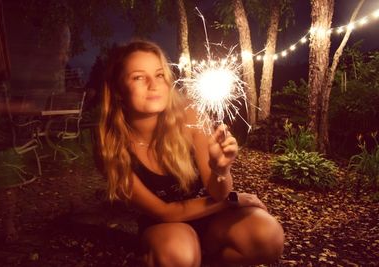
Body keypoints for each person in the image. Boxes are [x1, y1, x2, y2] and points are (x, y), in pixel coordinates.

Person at [99, 40, 284, 266]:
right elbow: (164, 213)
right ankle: (162, 256)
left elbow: (220, 192)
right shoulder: (112, 147)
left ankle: (204, 256)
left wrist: (221, 170)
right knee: (179, 254)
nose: (153, 84)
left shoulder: (190, 116)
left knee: (268, 236)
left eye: (159, 75)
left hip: (211, 216)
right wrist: (232, 201)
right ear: (118, 91)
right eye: (139, 77)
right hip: (164, 225)